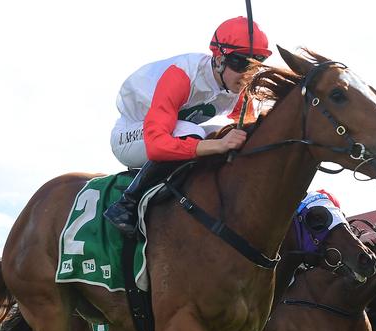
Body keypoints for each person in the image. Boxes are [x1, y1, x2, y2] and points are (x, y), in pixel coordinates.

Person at [104, 16, 271, 235]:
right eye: (241, 63)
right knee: (196, 133)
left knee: (226, 133)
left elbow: (249, 130)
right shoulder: (182, 75)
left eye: (255, 65)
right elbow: (157, 145)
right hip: (131, 136)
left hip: (172, 131)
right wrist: (219, 146)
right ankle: (127, 204)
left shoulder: (239, 88)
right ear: (219, 58)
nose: (247, 75)